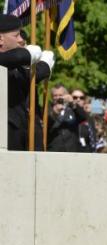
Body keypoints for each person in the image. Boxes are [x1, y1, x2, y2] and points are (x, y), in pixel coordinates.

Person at [0, 14, 55, 151]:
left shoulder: (16, 66)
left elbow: (27, 77)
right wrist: (29, 56)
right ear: (1, 39)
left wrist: (44, 66)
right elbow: (18, 57)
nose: (21, 39)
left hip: (25, 139)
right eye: (16, 35)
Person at [47, 84, 87, 152]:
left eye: (60, 95)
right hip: (54, 150)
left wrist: (73, 103)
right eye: (55, 95)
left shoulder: (72, 108)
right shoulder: (47, 109)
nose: (58, 98)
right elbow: (46, 126)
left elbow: (83, 117)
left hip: (72, 150)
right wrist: (54, 112)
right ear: (52, 97)